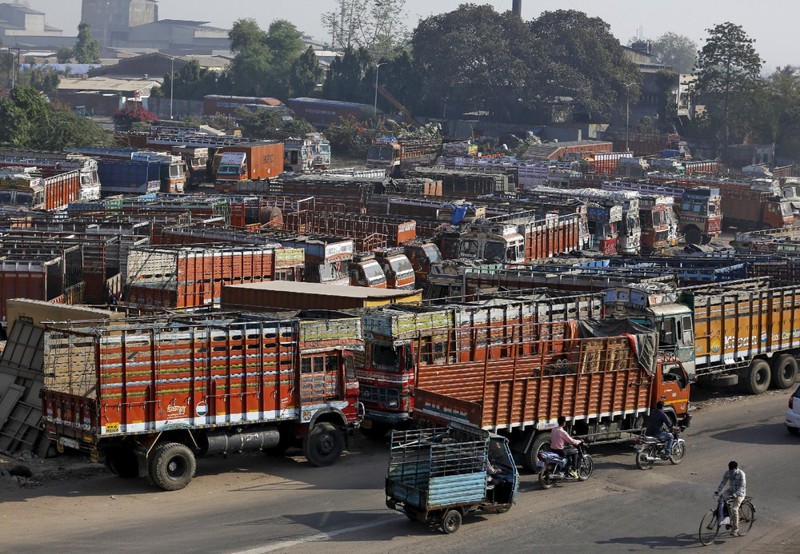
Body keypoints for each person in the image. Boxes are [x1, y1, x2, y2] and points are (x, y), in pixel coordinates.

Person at [715, 461, 747, 537]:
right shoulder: (727, 472)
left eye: (732, 470)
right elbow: (723, 482)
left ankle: (735, 529)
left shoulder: (741, 474)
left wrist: (735, 495)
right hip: (731, 490)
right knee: (721, 499)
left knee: (734, 509)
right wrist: (718, 491)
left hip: (740, 493)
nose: (731, 472)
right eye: (730, 469)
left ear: (736, 468)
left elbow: (742, 487)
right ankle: (726, 520)